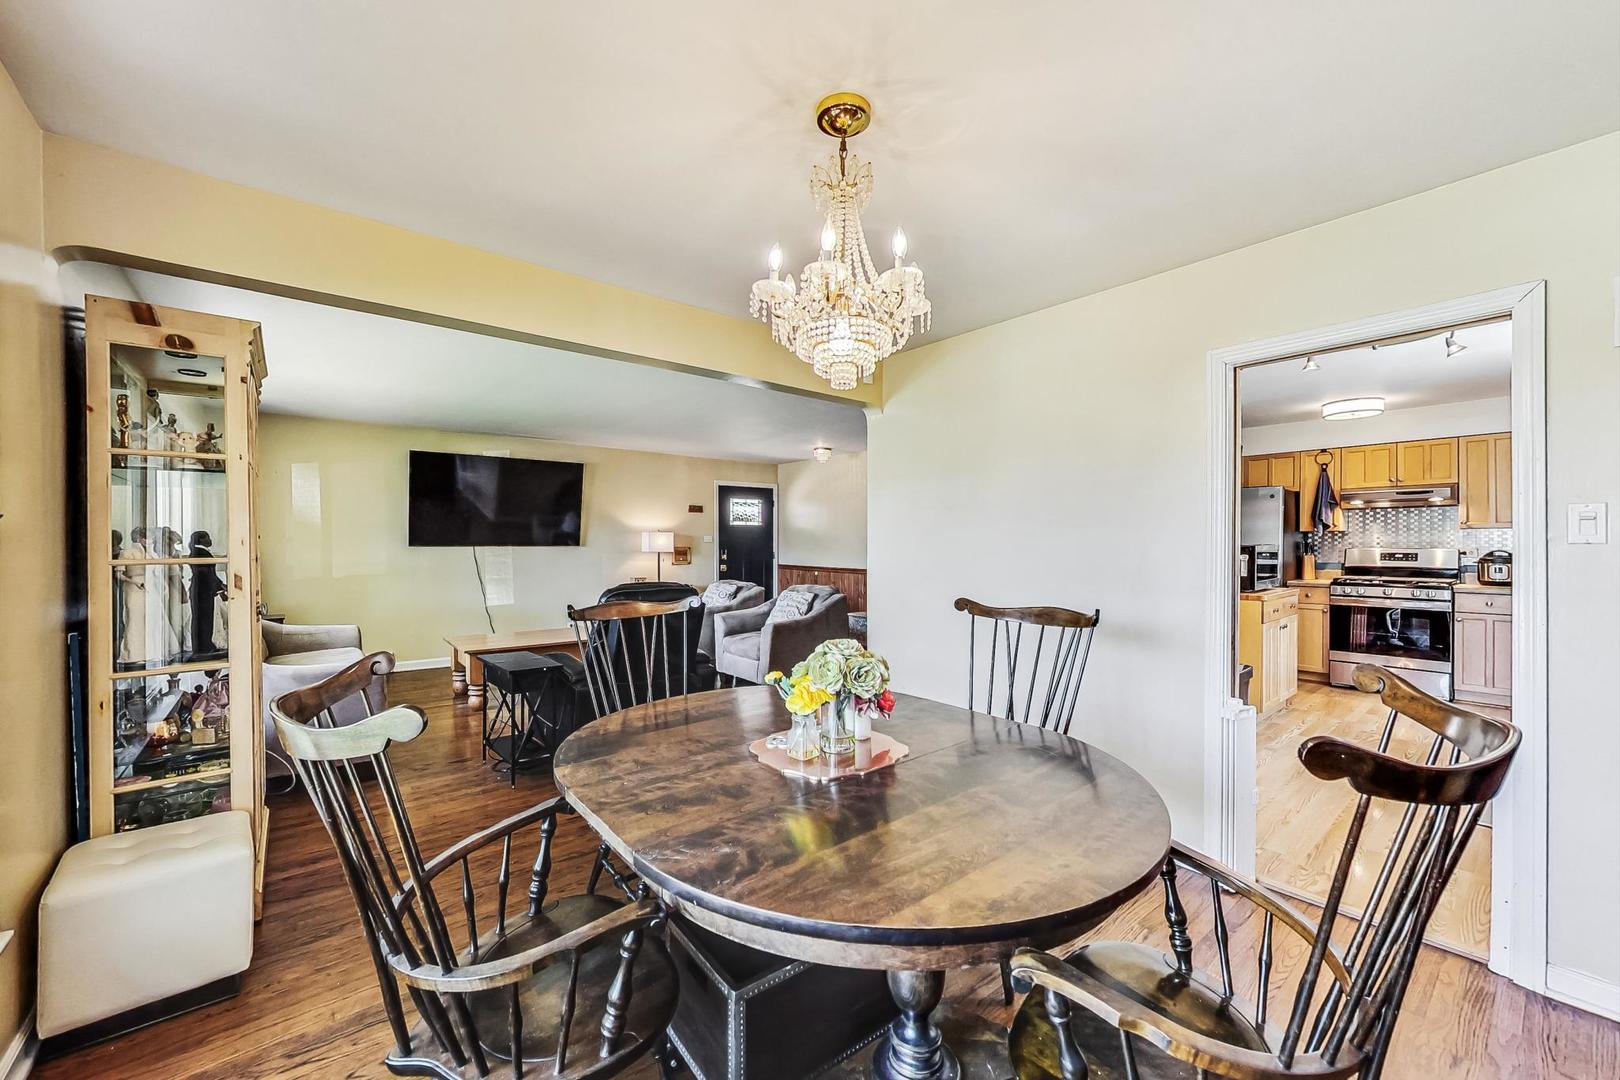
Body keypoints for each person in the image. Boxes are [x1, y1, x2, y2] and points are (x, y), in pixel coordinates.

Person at [188, 531, 227, 659]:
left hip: (202, 590)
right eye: (207, 538)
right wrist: (220, 587)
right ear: (201, 540)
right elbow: (207, 575)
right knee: (204, 620)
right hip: (203, 591)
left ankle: (204, 646)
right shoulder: (201, 553)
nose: (210, 540)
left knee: (203, 619)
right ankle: (204, 648)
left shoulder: (198, 552)